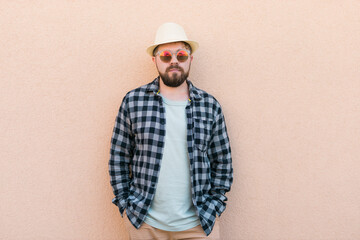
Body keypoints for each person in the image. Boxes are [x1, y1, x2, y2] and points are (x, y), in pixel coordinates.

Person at [109, 22, 233, 240]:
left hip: (199, 224)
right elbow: (119, 156)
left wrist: (215, 206)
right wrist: (126, 205)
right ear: (154, 59)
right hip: (145, 223)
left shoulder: (209, 105)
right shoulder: (133, 101)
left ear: (190, 59)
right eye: (166, 55)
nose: (174, 61)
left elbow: (222, 160)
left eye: (181, 55)